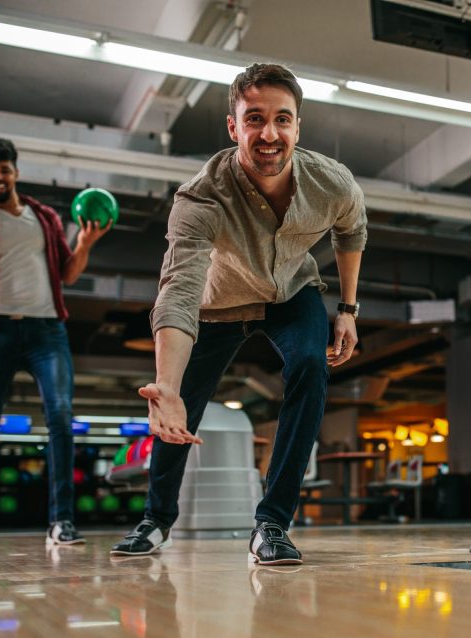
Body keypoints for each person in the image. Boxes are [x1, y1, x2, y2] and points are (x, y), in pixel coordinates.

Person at [111, 63, 366, 565]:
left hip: (292, 293)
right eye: (254, 119)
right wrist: (165, 382)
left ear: (298, 126)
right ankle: (156, 519)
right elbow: (180, 289)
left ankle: (272, 523)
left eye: (282, 120)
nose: (269, 134)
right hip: (218, 304)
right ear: (234, 127)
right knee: (180, 399)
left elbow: (351, 231)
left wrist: (349, 310)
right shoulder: (201, 197)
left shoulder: (331, 183)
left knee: (311, 367)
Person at [0, 137, 110, 546]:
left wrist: (84, 245)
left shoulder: (45, 217)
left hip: (47, 332)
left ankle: (62, 522)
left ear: (16, 172)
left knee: (61, 420)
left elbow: (68, 275)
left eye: (5, 169)